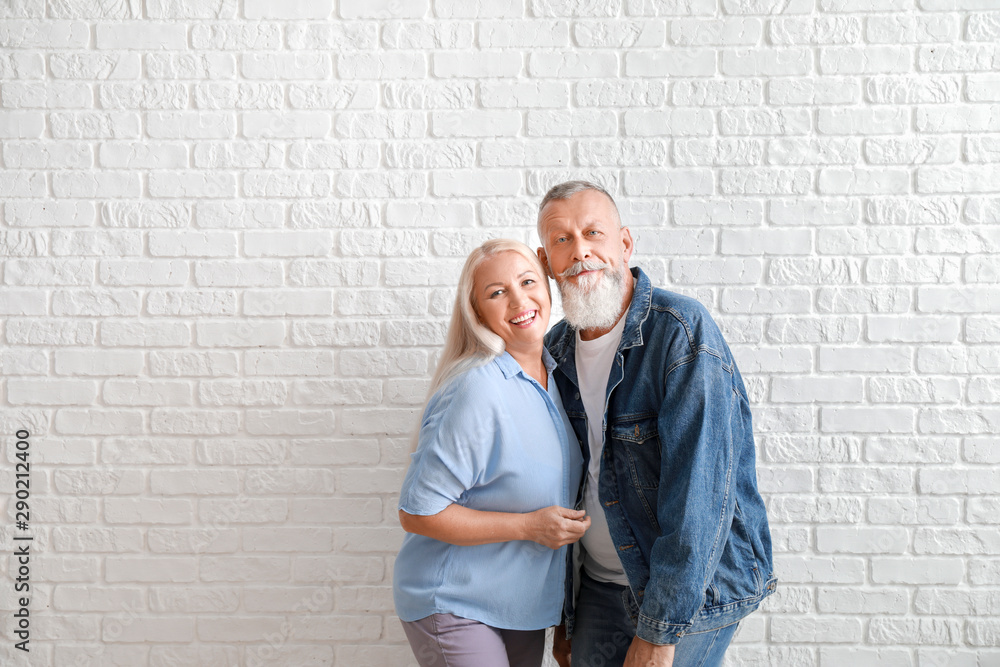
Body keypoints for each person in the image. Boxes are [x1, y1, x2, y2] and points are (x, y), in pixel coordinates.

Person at [535, 182, 776, 667]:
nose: (580, 251)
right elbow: (565, 485)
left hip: (688, 592)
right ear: (546, 262)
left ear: (624, 244)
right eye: (562, 240)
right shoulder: (554, 350)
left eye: (592, 233)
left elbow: (701, 494)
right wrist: (565, 616)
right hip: (599, 585)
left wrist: (660, 632)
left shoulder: (681, 332)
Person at [393, 238, 589, 667]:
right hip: (455, 601)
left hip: (521, 607)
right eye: (497, 292)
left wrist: (563, 618)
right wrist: (529, 527)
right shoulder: (477, 388)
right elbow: (417, 512)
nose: (519, 300)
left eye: (527, 281)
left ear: (548, 287)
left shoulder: (555, 380)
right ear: (477, 312)